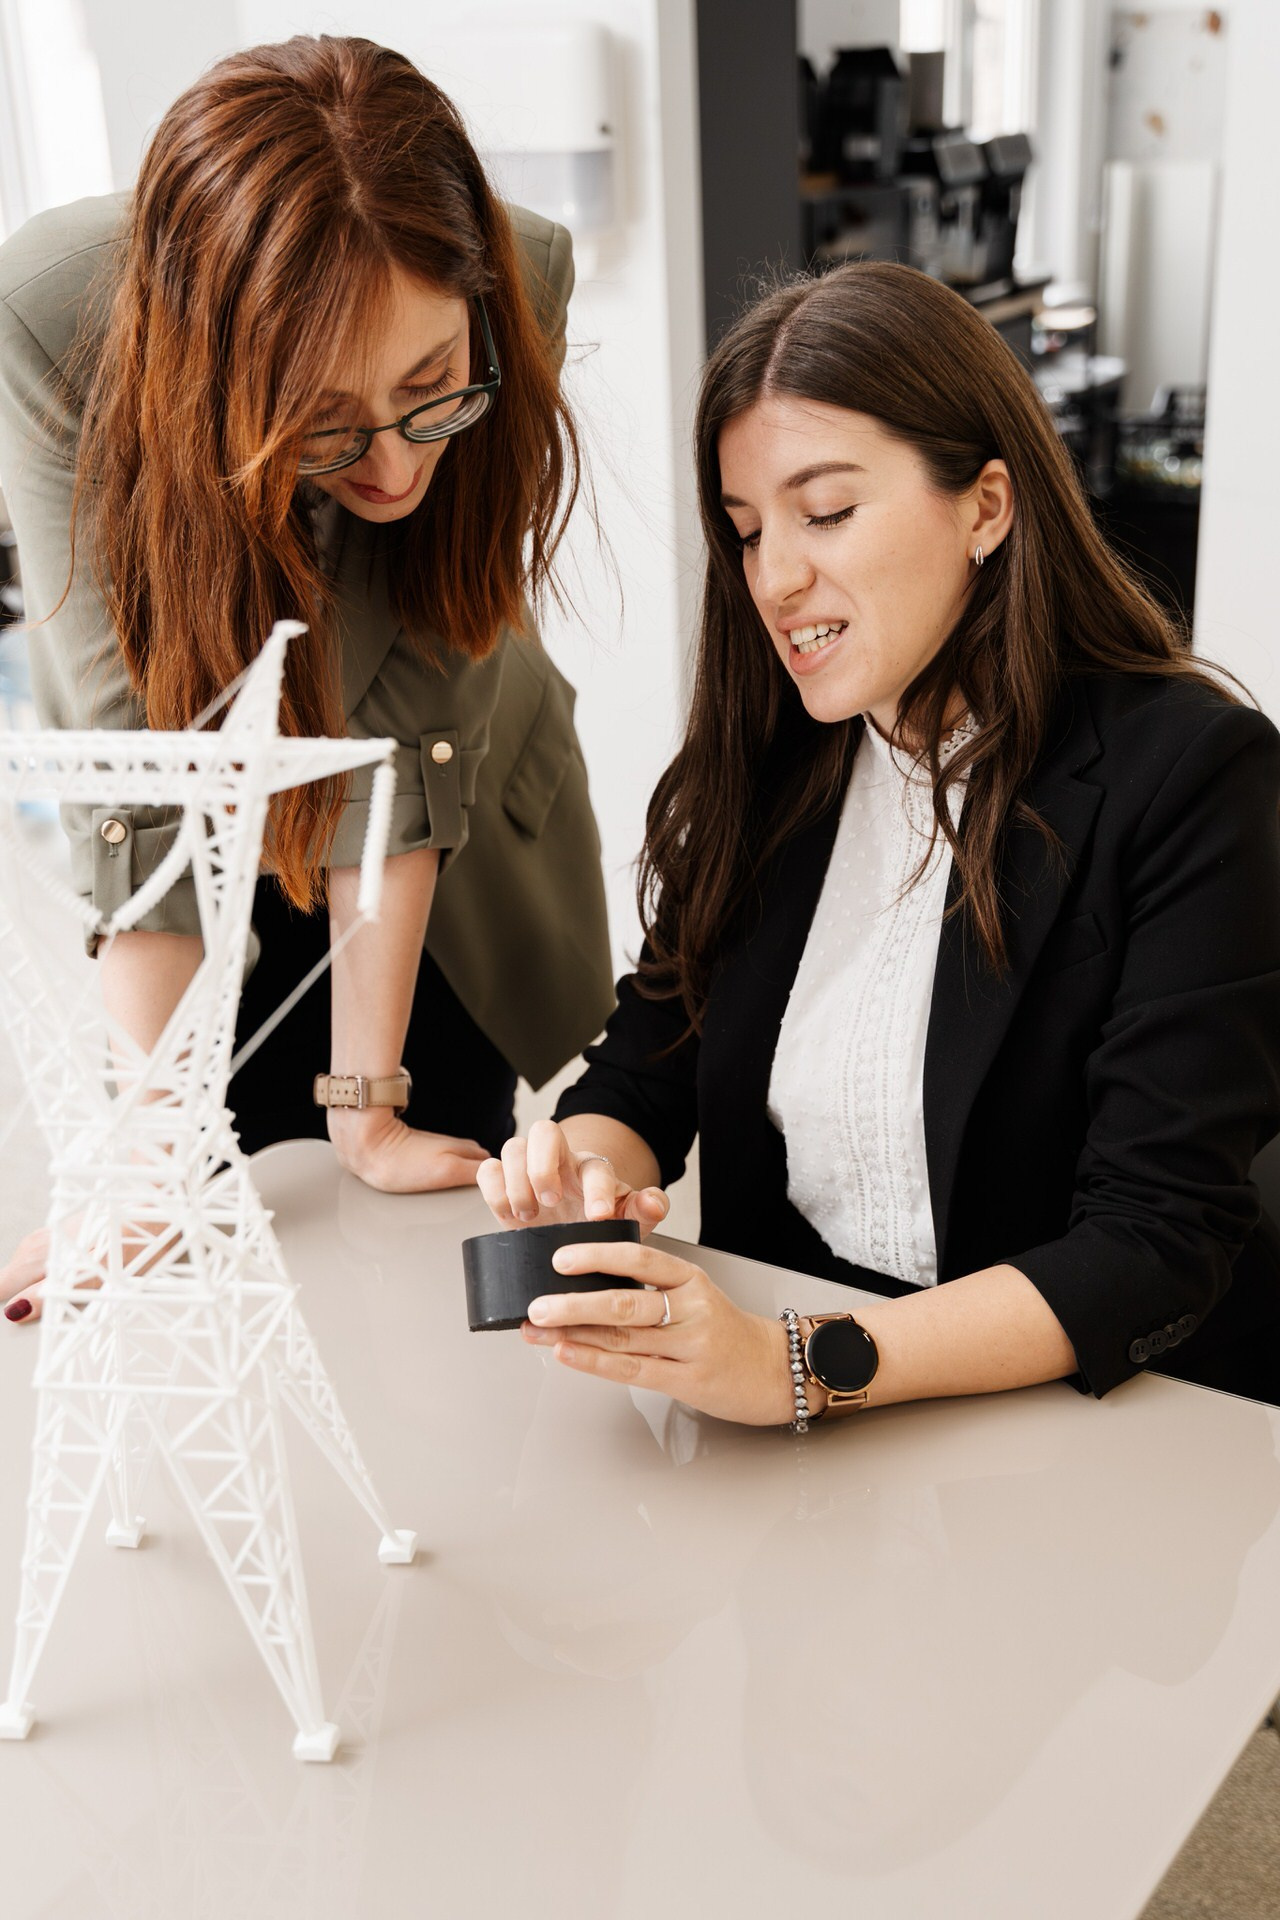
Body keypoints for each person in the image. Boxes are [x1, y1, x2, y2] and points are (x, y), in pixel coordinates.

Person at [479, 260, 1280, 1423]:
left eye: (826, 513)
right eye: (746, 532)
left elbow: (1151, 1239)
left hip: (1086, 1425)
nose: (773, 577)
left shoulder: (1189, 775)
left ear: (985, 507)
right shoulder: (773, 766)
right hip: (803, 1405)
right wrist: (583, 1171)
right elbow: (643, 1073)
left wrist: (798, 1366)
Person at [0, 37, 614, 1321]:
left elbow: (416, 706)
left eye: (430, 391)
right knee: (220, 1258)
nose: (392, 472)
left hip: (437, 853)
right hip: (198, 844)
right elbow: (146, 762)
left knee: (415, 1282)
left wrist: (366, 1107)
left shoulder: (521, 275)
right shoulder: (55, 324)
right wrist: (152, 1169)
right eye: (324, 422)